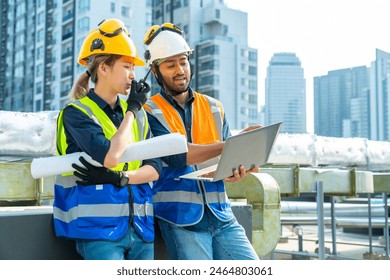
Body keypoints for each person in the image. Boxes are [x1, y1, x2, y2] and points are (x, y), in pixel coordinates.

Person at [142, 23, 260, 260]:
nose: (180, 70)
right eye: (170, 64)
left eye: (183, 61)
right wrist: (229, 145)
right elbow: (177, 155)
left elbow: (222, 158)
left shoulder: (214, 107)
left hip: (222, 215)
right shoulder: (148, 111)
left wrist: (236, 166)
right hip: (180, 220)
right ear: (155, 72)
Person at [53, 18, 162, 260]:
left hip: (141, 229)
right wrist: (132, 109)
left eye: (134, 68)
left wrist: (121, 179)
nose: (133, 76)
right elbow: (110, 156)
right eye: (126, 66)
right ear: (103, 68)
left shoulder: (138, 116)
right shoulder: (76, 114)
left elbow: (155, 168)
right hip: (97, 232)